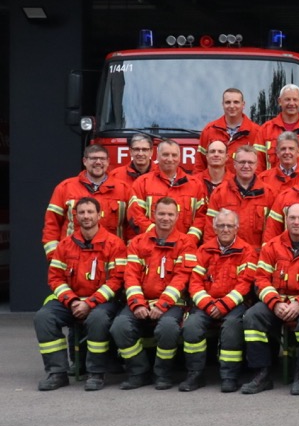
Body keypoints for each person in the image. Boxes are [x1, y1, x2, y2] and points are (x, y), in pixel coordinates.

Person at [33, 197, 126, 391]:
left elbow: (116, 281)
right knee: (44, 317)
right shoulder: (65, 245)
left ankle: (96, 373)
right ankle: (57, 372)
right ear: (75, 216)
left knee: (98, 318)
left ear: (99, 215)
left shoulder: (114, 244)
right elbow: (55, 279)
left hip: (103, 301)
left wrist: (90, 303)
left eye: (90, 212)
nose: (86, 216)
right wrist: (73, 301)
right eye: (81, 212)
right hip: (72, 300)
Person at [241, 202, 299, 395]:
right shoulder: (272, 246)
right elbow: (261, 279)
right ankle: (262, 373)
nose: (296, 222)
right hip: (278, 301)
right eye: (292, 218)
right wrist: (275, 303)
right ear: (286, 220)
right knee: (252, 316)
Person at [110, 197, 197, 390]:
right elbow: (130, 275)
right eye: (161, 214)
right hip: (140, 301)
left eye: (170, 214)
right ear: (153, 215)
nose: (165, 218)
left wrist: (162, 304)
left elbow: (181, 279)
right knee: (120, 326)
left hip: (172, 303)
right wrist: (137, 303)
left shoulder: (186, 243)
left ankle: (163, 374)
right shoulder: (137, 243)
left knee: (168, 328)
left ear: (177, 217)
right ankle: (138, 372)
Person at [183, 209, 257, 393]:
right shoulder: (203, 250)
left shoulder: (247, 251)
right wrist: (208, 304)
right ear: (214, 227)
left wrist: (224, 305)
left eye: (229, 226)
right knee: (192, 326)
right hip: (206, 303)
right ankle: (195, 374)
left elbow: (245, 283)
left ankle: (229, 376)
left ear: (237, 228)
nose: (225, 229)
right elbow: (195, 282)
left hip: (234, 304)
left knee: (232, 328)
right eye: (221, 225)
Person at [44, 144, 130, 256]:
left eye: (102, 159)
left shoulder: (123, 189)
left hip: (111, 257)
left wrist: (126, 256)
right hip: (73, 257)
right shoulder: (65, 188)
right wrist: (54, 255)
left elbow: (132, 227)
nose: (98, 162)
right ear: (84, 161)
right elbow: (52, 225)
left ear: (108, 161)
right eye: (93, 158)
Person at [127, 139, 206, 240]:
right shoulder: (142, 183)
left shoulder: (195, 185)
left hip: (184, 247)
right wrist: (156, 236)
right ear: (157, 156)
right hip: (150, 246)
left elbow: (201, 217)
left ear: (179, 157)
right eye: (165, 155)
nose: (170, 159)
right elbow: (135, 215)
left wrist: (189, 239)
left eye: (174, 155)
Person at [205, 146, 277, 248]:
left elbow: (273, 231)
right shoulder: (219, 193)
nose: (246, 166)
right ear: (234, 164)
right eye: (242, 162)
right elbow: (210, 231)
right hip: (227, 257)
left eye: (250, 162)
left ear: (256, 165)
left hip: (257, 258)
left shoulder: (269, 194)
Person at [257, 83, 299, 169]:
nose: (291, 103)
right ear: (280, 101)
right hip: (271, 182)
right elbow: (257, 164)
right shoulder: (266, 129)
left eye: (295, 100)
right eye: (287, 99)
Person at [196, 87, 258, 173]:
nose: (232, 106)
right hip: (215, 185)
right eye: (228, 102)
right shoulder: (209, 130)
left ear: (243, 105)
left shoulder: (256, 132)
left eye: (236, 102)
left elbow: (260, 166)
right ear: (223, 104)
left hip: (243, 185)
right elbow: (199, 166)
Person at [260, 131, 299, 196]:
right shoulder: (263, 178)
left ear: (298, 152)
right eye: (283, 149)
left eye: (291, 149)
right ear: (277, 152)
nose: (287, 152)